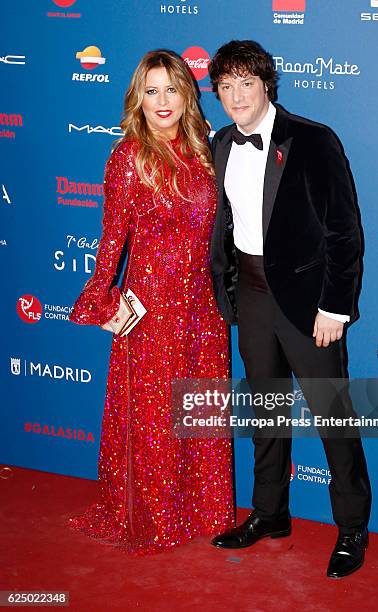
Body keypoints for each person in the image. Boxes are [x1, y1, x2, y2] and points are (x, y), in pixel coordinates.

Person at [207, 40, 372, 578]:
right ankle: (269, 514)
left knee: (332, 417)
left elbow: (344, 232)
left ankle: (351, 528)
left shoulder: (313, 140)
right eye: (225, 87)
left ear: (266, 84)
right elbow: (225, 227)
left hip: (308, 301)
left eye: (244, 84)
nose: (235, 96)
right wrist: (228, 289)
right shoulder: (222, 143)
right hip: (251, 294)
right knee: (266, 412)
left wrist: (334, 307)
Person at [68, 49, 234, 555]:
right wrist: (101, 303)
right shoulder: (128, 156)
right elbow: (110, 240)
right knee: (157, 420)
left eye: (171, 89)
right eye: (151, 90)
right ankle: (154, 516)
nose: (162, 101)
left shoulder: (205, 148)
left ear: (188, 93)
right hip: (153, 312)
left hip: (203, 308)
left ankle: (204, 511)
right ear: (138, 98)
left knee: (200, 412)